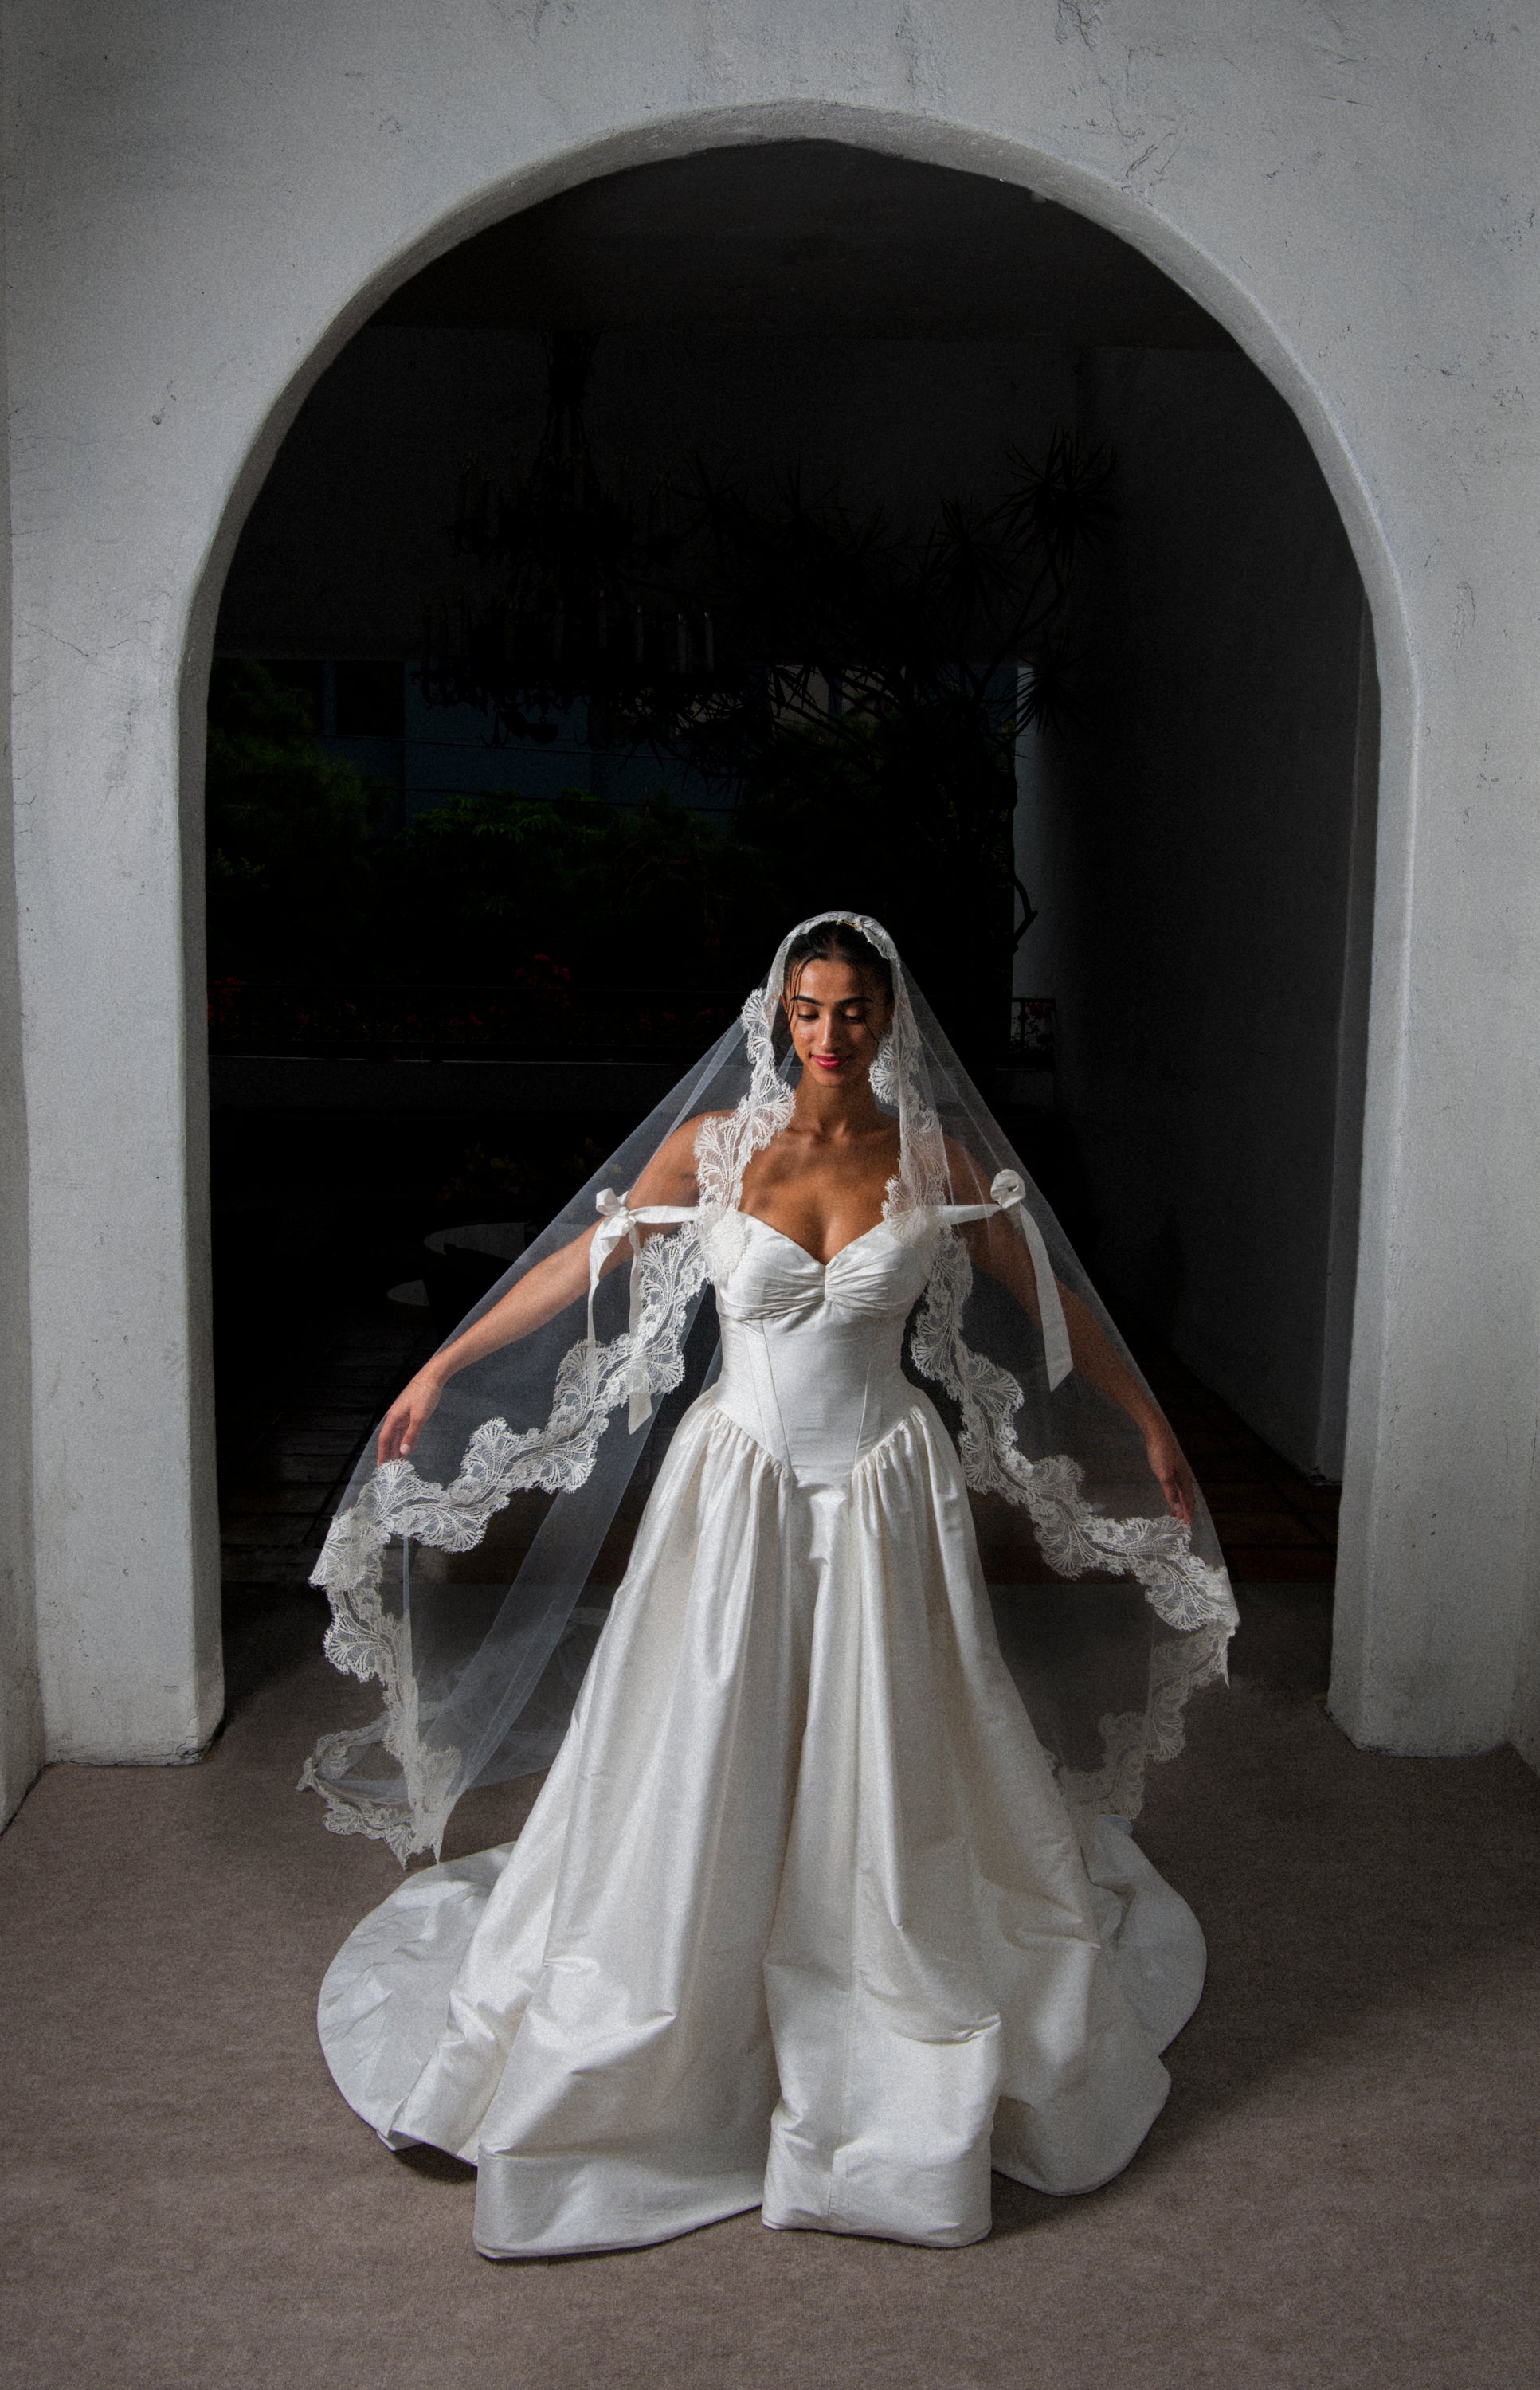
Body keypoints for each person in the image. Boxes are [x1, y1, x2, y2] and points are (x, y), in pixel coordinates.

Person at [305, 913, 1236, 2257]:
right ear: (777, 1016)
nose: (831, 1033)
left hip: (881, 1485)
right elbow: (585, 1262)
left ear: (888, 1020)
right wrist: (439, 1368)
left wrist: (1143, 1421)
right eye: (809, 1010)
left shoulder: (932, 1159)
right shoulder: (720, 1148)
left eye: (854, 1010)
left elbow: (1047, 1300)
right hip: (734, 1481)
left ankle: (882, 1960)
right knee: (702, 1726)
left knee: (891, 1734)